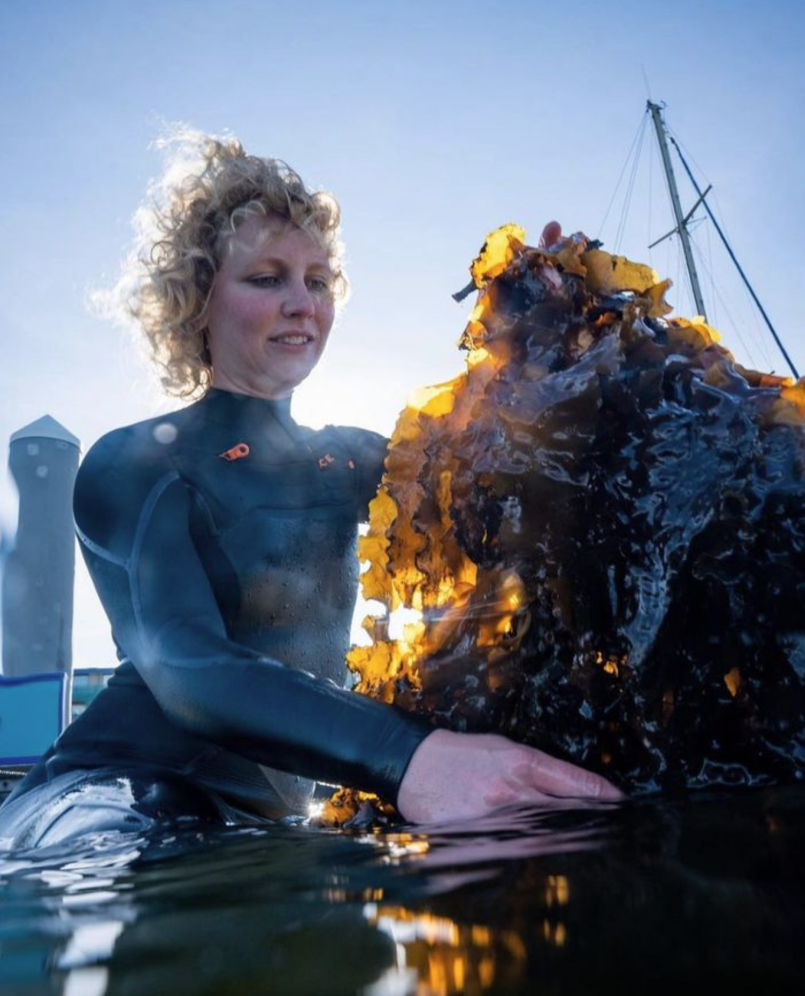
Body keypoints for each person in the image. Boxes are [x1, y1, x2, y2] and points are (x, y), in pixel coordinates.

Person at [0, 132, 619, 849]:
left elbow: (514, 478)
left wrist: (555, 323)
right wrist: (407, 753)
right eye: (267, 279)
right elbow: (186, 667)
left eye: (318, 282)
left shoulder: (354, 461)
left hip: (263, 825)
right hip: (99, 799)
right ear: (197, 302)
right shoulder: (133, 462)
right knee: (169, 830)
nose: (302, 304)